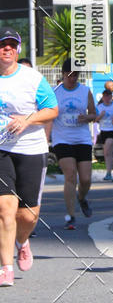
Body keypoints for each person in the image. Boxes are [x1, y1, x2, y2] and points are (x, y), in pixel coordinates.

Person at [0, 28, 57, 287]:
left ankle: (22, 242)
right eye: (3, 44)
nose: (7, 48)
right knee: (5, 208)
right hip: (2, 149)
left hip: (31, 149)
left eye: (12, 45)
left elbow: (52, 109)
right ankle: (6, 268)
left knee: (27, 215)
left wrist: (27, 120)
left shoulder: (32, 79)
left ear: (18, 49)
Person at [52, 59, 96, 229]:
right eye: (69, 75)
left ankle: (82, 198)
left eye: (75, 75)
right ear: (63, 74)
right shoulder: (55, 92)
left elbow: (93, 114)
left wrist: (87, 117)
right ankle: (70, 216)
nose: (72, 78)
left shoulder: (85, 91)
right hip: (62, 138)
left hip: (82, 139)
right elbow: (48, 114)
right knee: (70, 175)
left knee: (85, 179)